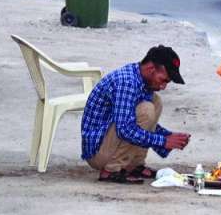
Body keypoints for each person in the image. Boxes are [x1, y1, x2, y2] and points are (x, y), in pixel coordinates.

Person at [81, 45, 190, 184]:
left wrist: (168, 137)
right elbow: (125, 129)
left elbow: (138, 122)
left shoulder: (142, 80)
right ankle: (111, 170)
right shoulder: (127, 82)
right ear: (151, 69)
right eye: (164, 80)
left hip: (110, 141)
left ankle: (134, 166)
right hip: (99, 153)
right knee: (147, 109)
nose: (164, 86)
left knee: (155, 102)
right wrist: (163, 141)